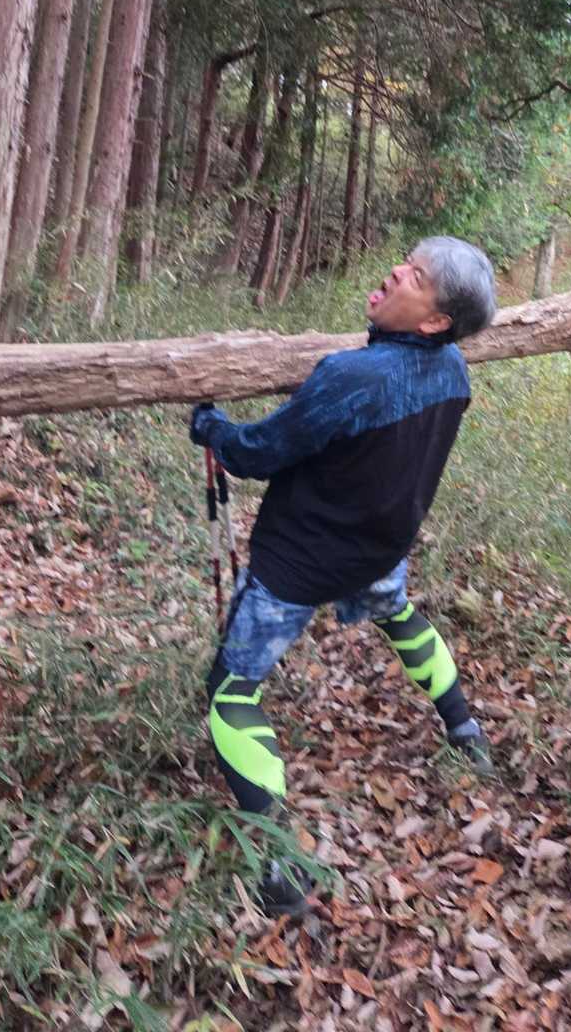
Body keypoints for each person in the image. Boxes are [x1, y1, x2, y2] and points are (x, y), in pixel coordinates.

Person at [189, 235, 497, 915]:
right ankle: (465, 732)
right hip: (380, 549)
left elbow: (256, 453)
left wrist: (212, 429)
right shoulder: (454, 371)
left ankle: (279, 867)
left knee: (230, 689)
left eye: (416, 276)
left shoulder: (350, 378)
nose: (396, 270)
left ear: (435, 320)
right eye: (408, 260)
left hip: (297, 562)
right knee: (399, 616)